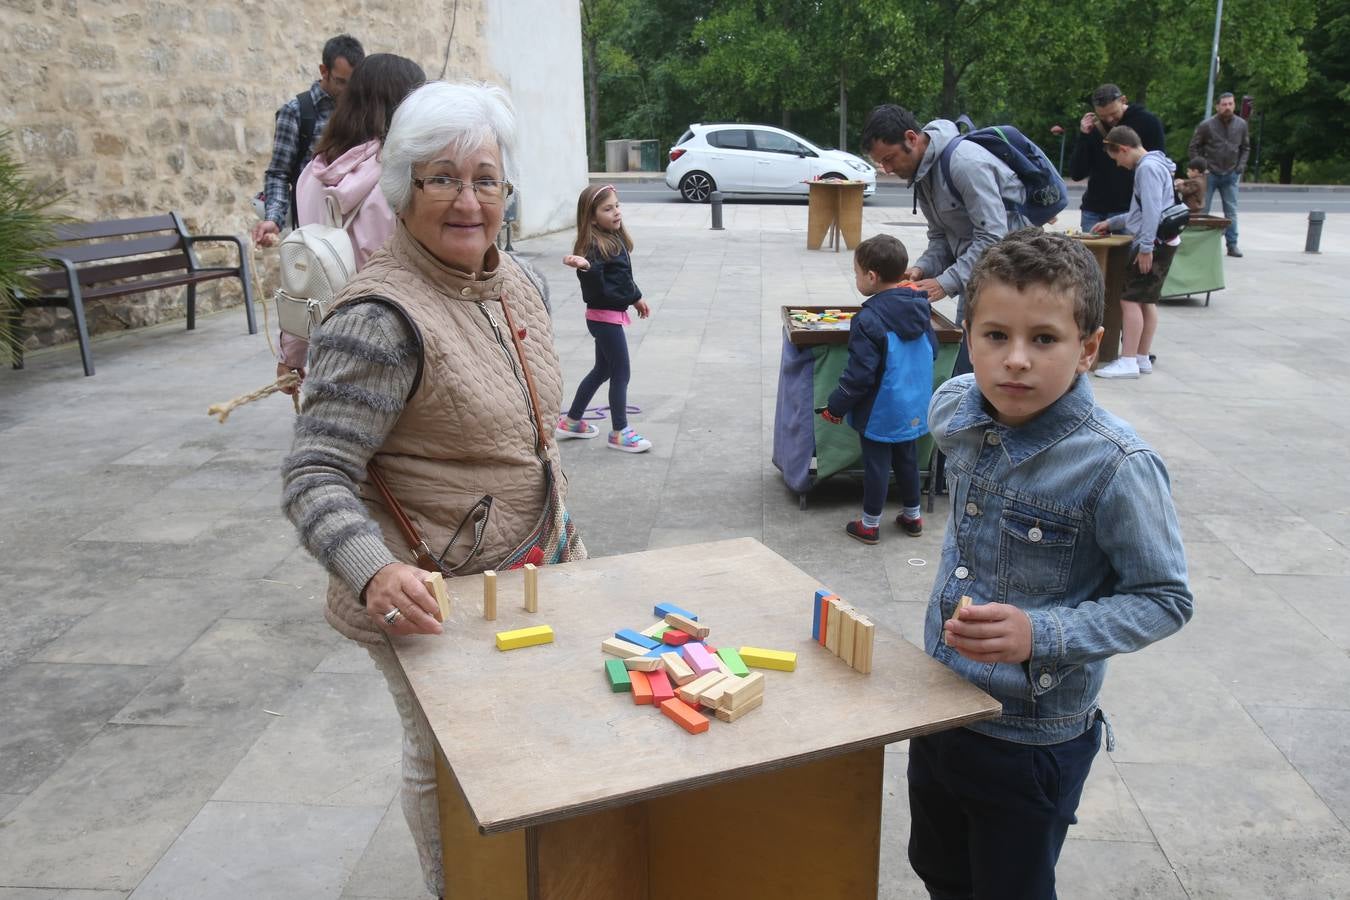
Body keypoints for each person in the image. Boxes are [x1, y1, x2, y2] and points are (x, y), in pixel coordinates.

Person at [281, 81, 575, 899]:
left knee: (528, 745)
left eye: (486, 179)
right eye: (442, 178)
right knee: (446, 763)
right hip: (429, 597)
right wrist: (374, 571)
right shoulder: (378, 317)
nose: (468, 201)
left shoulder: (517, 280)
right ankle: (461, 887)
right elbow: (315, 474)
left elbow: (529, 432)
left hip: (533, 570)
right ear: (404, 190)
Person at [910, 227, 1192, 899]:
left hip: (1031, 739)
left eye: (1043, 339)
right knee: (939, 869)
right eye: (994, 336)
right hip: (940, 708)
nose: (1015, 362)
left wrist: (1042, 634)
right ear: (966, 337)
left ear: (1088, 349)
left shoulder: (1117, 468)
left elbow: (1165, 598)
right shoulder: (957, 409)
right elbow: (951, 411)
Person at [275, 53, 426, 394]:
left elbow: (303, 273)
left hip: (331, 344)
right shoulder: (403, 178)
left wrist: (291, 356)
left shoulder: (310, 177)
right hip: (399, 342)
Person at [860, 103, 1027, 376]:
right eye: (881, 162)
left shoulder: (966, 163)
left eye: (889, 159)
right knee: (970, 362)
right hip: (978, 275)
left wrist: (944, 282)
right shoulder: (924, 173)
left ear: (912, 139)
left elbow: (995, 239)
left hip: (1012, 276)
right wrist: (923, 268)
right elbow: (941, 237)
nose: (886, 169)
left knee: (977, 366)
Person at [820, 234, 936, 544]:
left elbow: (859, 375)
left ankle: (870, 524)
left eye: (856, 272)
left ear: (871, 276)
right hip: (915, 403)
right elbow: (933, 351)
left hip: (880, 408)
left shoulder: (868, 318)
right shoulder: (921, 308)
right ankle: (912, 517)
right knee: (908, 459)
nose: (856, 277)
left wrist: (835, 406)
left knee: (877, 465)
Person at [556, 184, 654, 453]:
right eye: (607, 209)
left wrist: (636, 298)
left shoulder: (613, 239)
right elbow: (594, 280)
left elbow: (621, 280)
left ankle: (573, 421)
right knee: (621, 372)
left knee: (603, 370)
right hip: (604, 318)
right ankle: (620, 431)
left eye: (617, 206)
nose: (616, 212)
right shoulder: (594, 247)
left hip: (608, 316)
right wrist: (586, 268)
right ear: (591, 216)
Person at [251, 34, 365, 248]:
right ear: (324, 71)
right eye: (341, 82)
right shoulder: (295, 112)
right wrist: (273, 218)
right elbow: (279, 173)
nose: (347, 91)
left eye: (353, 83)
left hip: (354, 230)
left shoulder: (363, 111)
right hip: (312, 232)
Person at [1090, 125, 1180, 379]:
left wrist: (1146, 248)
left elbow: (1151, 211)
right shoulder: (1158, 164)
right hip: (1165, 240)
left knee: (1129, 300)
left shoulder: (1147, 169)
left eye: (1117, 158)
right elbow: (1144, 210)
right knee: (1145, 300)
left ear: (1124, 148)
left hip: (1154, 243)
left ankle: (1128, 359)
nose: (1119, 165)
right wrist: (1114, 222)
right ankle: (1141, 357)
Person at [1067, 83, 1166, 232]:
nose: (1109, 119)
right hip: (1094, 210)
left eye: (1113, 113)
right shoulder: (1093, 127)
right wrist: (1084, 137)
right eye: (1103, 115)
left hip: (1128, 210)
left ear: (1123, 100)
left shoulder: (1148, 122)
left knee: (1126, 256)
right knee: (1091, 256)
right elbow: (1077, 173)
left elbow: (1159, 163)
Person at [1189, 92, 1249, 257]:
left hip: (1231, 173)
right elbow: (1194, 147)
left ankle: (1232, 245)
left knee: (1231, 211)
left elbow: (1245, 147)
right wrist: (1201, 168)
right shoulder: (1207, 125)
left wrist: (1240, 167)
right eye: (1224, 104)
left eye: (1230, 104)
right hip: (1210, 174)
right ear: (1217, 106)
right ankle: (1200, 244)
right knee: (1203, 210)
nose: (1227, 107)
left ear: (1234, 105)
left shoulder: (1241, 124)